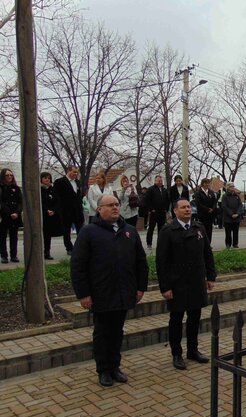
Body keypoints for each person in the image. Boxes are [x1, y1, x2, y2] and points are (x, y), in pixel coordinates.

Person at [71, 194, 148, 387]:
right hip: (101, 294)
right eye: (110, 205)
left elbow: (141, 262)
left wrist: (140, 288)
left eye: (117, 204)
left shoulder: (129, 231)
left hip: (124, 292)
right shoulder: (89, 232)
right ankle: (103, 370)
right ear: (99, 209)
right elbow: (78, 266)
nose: (115, 207)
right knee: (102, 333)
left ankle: (115, 366)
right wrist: (84, 294)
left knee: (117, 332)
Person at [156, 199, 216, 370]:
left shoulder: (199, 228)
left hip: (196, 281)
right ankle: (177, 353)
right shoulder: (168, 231)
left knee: (194, 318)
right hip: (177, 283)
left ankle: (193, 350)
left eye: (189, 207)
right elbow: (161, 261)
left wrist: (210, 276)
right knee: (176, 319)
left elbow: (207, 254)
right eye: (183, 207)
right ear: (175, 211)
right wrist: (165, 287)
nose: (187, 209)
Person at [53, 165, 84, 254]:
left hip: (77, 211)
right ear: (68, 171)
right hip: (66, 211)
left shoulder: (77, 182)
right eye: (74, 172)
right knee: (66, 230)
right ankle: (69, 248)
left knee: (80, 230)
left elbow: (78, 196)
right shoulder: (60, 182)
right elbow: (57, 196)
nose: (75, 174)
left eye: (76, 172)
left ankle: (80, 247)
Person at [0, 168, 23, 263]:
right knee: (2, 236)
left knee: (14, 236)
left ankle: (14, 255)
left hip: (15, 216)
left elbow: (20, 202)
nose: (9, 177)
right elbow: (1, 203)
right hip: (4, 216)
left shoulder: (16, 188)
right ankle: (4, 256)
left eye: (11, 175)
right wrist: (9, 213)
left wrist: (17, 212)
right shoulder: (1, 188)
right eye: (7, 175)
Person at [40, 172, 63, 260]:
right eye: (45, 178)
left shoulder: (52, 189)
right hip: (43, 215)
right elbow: (40, 202)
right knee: (41, 235)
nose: (47, 180)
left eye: (48, 178)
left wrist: (53, 210)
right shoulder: (39, 189)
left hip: (51, 216)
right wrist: (46, 210)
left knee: (48, 235)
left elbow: (57, 201)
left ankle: (47, 251)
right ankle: (40, 251)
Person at [145, 175, 170, 250]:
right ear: (155, 181)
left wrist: (166, 209)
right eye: (158, 181)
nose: (160, 182)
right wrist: (151, 209)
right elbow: (147, 200)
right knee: (151, 228)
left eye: (161, 181)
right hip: (154, 212)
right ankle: (149, 243)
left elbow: (167, 200)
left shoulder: (165, 190)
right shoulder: (150, 189)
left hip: (162, 212)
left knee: (161, 229)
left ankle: (160, 243)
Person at [194, 178, 217, 244]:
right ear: (202, 184)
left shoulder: (211, 192)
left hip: (210, 215)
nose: (207, 184)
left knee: (209, 231)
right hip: (202, 215)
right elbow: (198, 204)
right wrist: (207, 209)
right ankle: (202, 244)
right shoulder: (198, 193)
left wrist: (212, 208)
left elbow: (214, 202)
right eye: (205, 183)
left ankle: (208, 244)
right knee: (202, 230)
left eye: (208, 183)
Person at [222, 182, 243, 249]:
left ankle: (235, 244)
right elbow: (224, 206)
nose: (233, 188)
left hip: (237, 217)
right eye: (231, 186)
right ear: (228, 188)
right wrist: (231, 214)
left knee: (235, 232)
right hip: (228, 218)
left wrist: (237, 213)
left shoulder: (237, 196)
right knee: (228, 233)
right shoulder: (225, 196)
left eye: (233, 186)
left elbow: (240, 205)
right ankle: (228, 244)